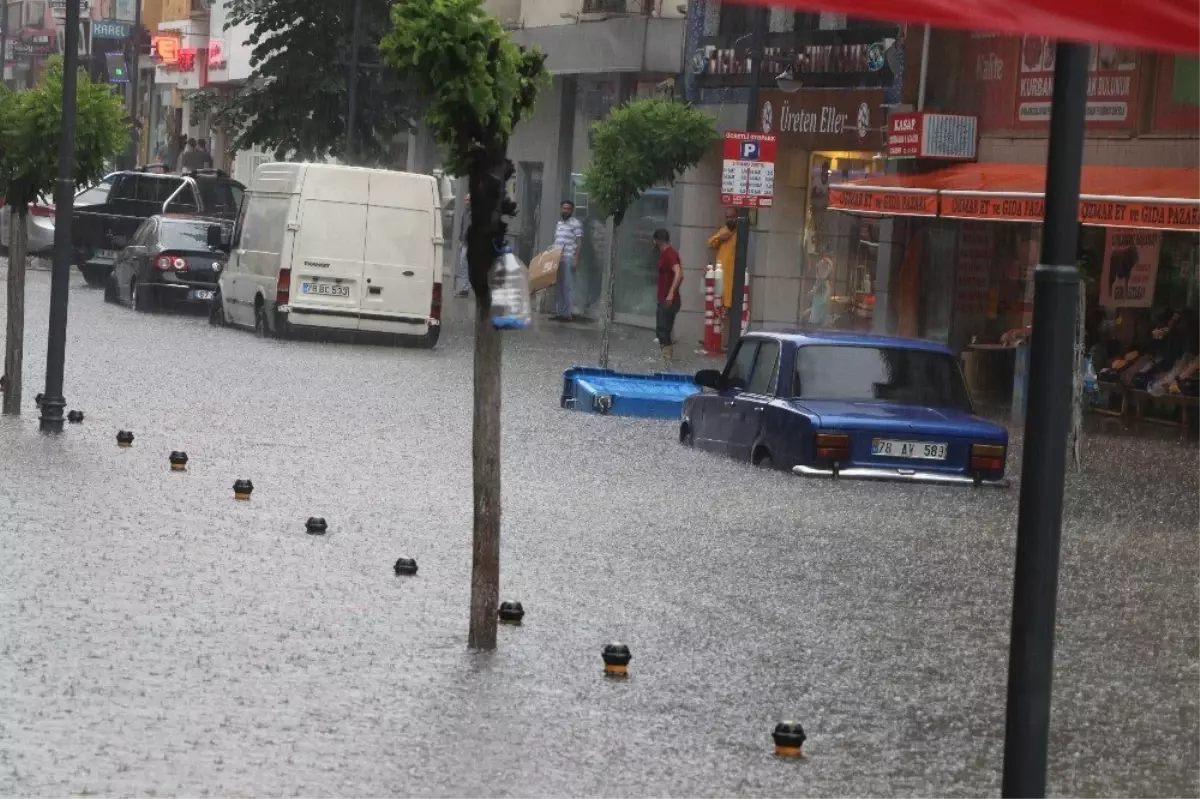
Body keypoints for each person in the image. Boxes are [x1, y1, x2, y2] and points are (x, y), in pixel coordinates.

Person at [707, 209, 738, 347]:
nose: (729, 219)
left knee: (731, 310)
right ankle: (719, 340)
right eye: (727, 217)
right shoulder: (724, 231)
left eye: (732, 217)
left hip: (733, 277)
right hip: (721, 276)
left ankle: (728, 341)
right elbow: (710, 243)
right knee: (719, 308)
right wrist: (720, 238)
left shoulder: (739, 232)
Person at [653, 228, 683, 362]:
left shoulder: (669, 254)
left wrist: (671, 293)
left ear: (658, 241)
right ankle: (666, 358)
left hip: (668, 300)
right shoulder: (666, 254)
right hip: (665, 298)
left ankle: (667, 359)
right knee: (663, 329)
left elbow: (679, 273)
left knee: (663, 330)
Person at [552, 200, 583, 321]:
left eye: (568, 209)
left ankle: (567, 314)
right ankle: (560, 312)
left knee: (568, 286)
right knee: (558, 286)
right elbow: (557, 241)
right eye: (564, 208)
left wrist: (576, 259)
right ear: (560, 209)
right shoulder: (559, 224)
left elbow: (579, 243)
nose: (565, 210)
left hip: (569, 258)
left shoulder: (576, 224)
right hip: (557, 259)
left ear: (572, 210)